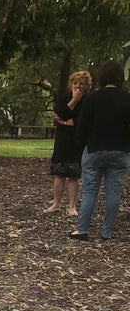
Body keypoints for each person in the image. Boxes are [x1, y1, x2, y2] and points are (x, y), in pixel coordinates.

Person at [69, 59, 130, 241]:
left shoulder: (92, 98)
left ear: (101, 76)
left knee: (90, 190)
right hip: (119, 151)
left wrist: (81, 144)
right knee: (113, 192)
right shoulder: (127, 98)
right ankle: (107, 232)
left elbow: (82, 127)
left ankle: (82, 230)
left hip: (94, 149)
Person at [45, 71, 91, 216]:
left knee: (73, 175)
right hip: (62, 140)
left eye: (81, 84)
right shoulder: (63, 98)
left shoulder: (88, 101)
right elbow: (60, 113)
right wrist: (73, 101)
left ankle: (72, 206)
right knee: (59, 174)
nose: (77, 86)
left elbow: (84, 120)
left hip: (77, 142)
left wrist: (67, 121)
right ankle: (56, 203)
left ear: (86, 86)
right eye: (75, 83)